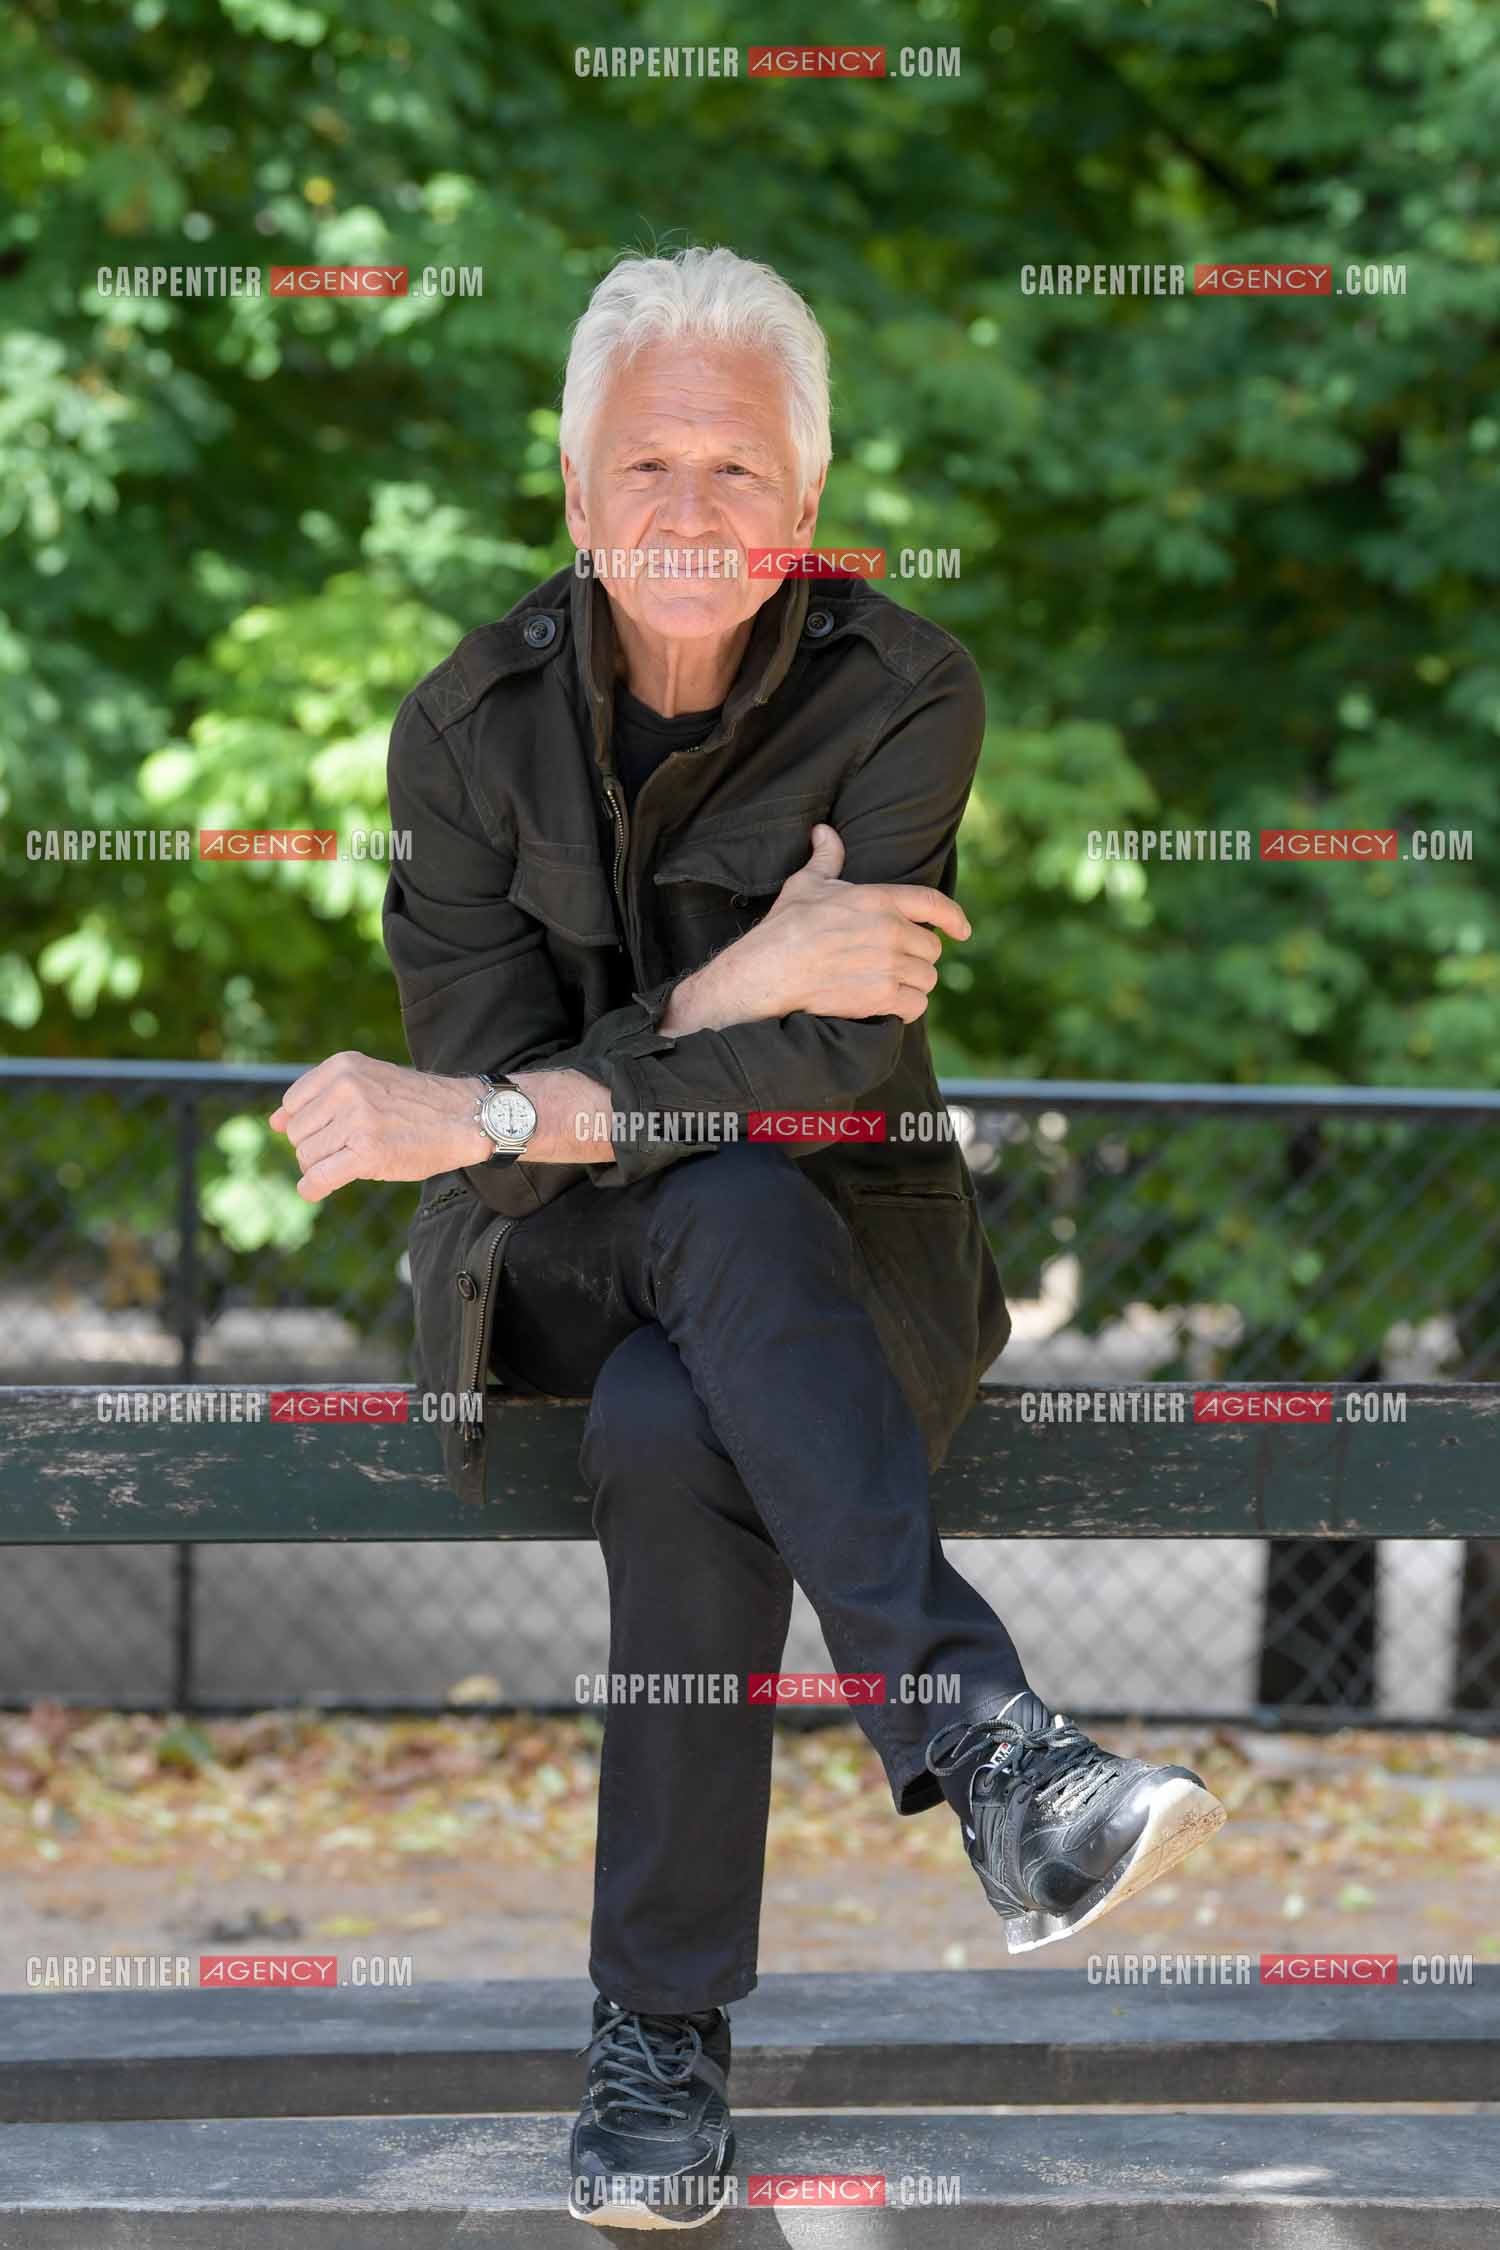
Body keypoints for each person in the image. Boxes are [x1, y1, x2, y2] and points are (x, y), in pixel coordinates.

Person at [269, 244, 1226, 2232]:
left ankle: (656, 2047)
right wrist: (715, 1001)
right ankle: (1002, 1765)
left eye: (733, 471)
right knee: (699, 1199)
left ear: (805, 503)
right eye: (646, 467)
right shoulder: (464, 727)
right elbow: (482, 1097)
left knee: (677, 1403)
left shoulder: (903, 692)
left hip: (836, 1254)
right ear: (571, 492)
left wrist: (598, 1076)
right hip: (540, 1263)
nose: (687, 510)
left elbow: (822, 1066)